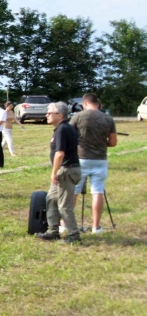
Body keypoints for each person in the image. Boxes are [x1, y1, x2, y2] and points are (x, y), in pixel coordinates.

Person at [71, 93, 118, 234]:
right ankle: (96, 226)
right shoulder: (108, 118)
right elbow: (113, 142)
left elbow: (68, 136)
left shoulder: (78, 117)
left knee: (73, 191)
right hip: (100, 160)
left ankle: (64, 223)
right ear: (98, 104)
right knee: (97, 192)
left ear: (84, 103)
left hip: (80, 159)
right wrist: (102, 143)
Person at [36, 102, 82, 243]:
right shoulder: (63, 128)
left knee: (64, 206)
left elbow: (60, 154)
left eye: (49, 113)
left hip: (66, 170)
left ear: (60, 115)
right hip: (65, 170)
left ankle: (74, 236)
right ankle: (53, 231)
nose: (47, 115)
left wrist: (54, 172)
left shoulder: (62, 129)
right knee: (51, 199)